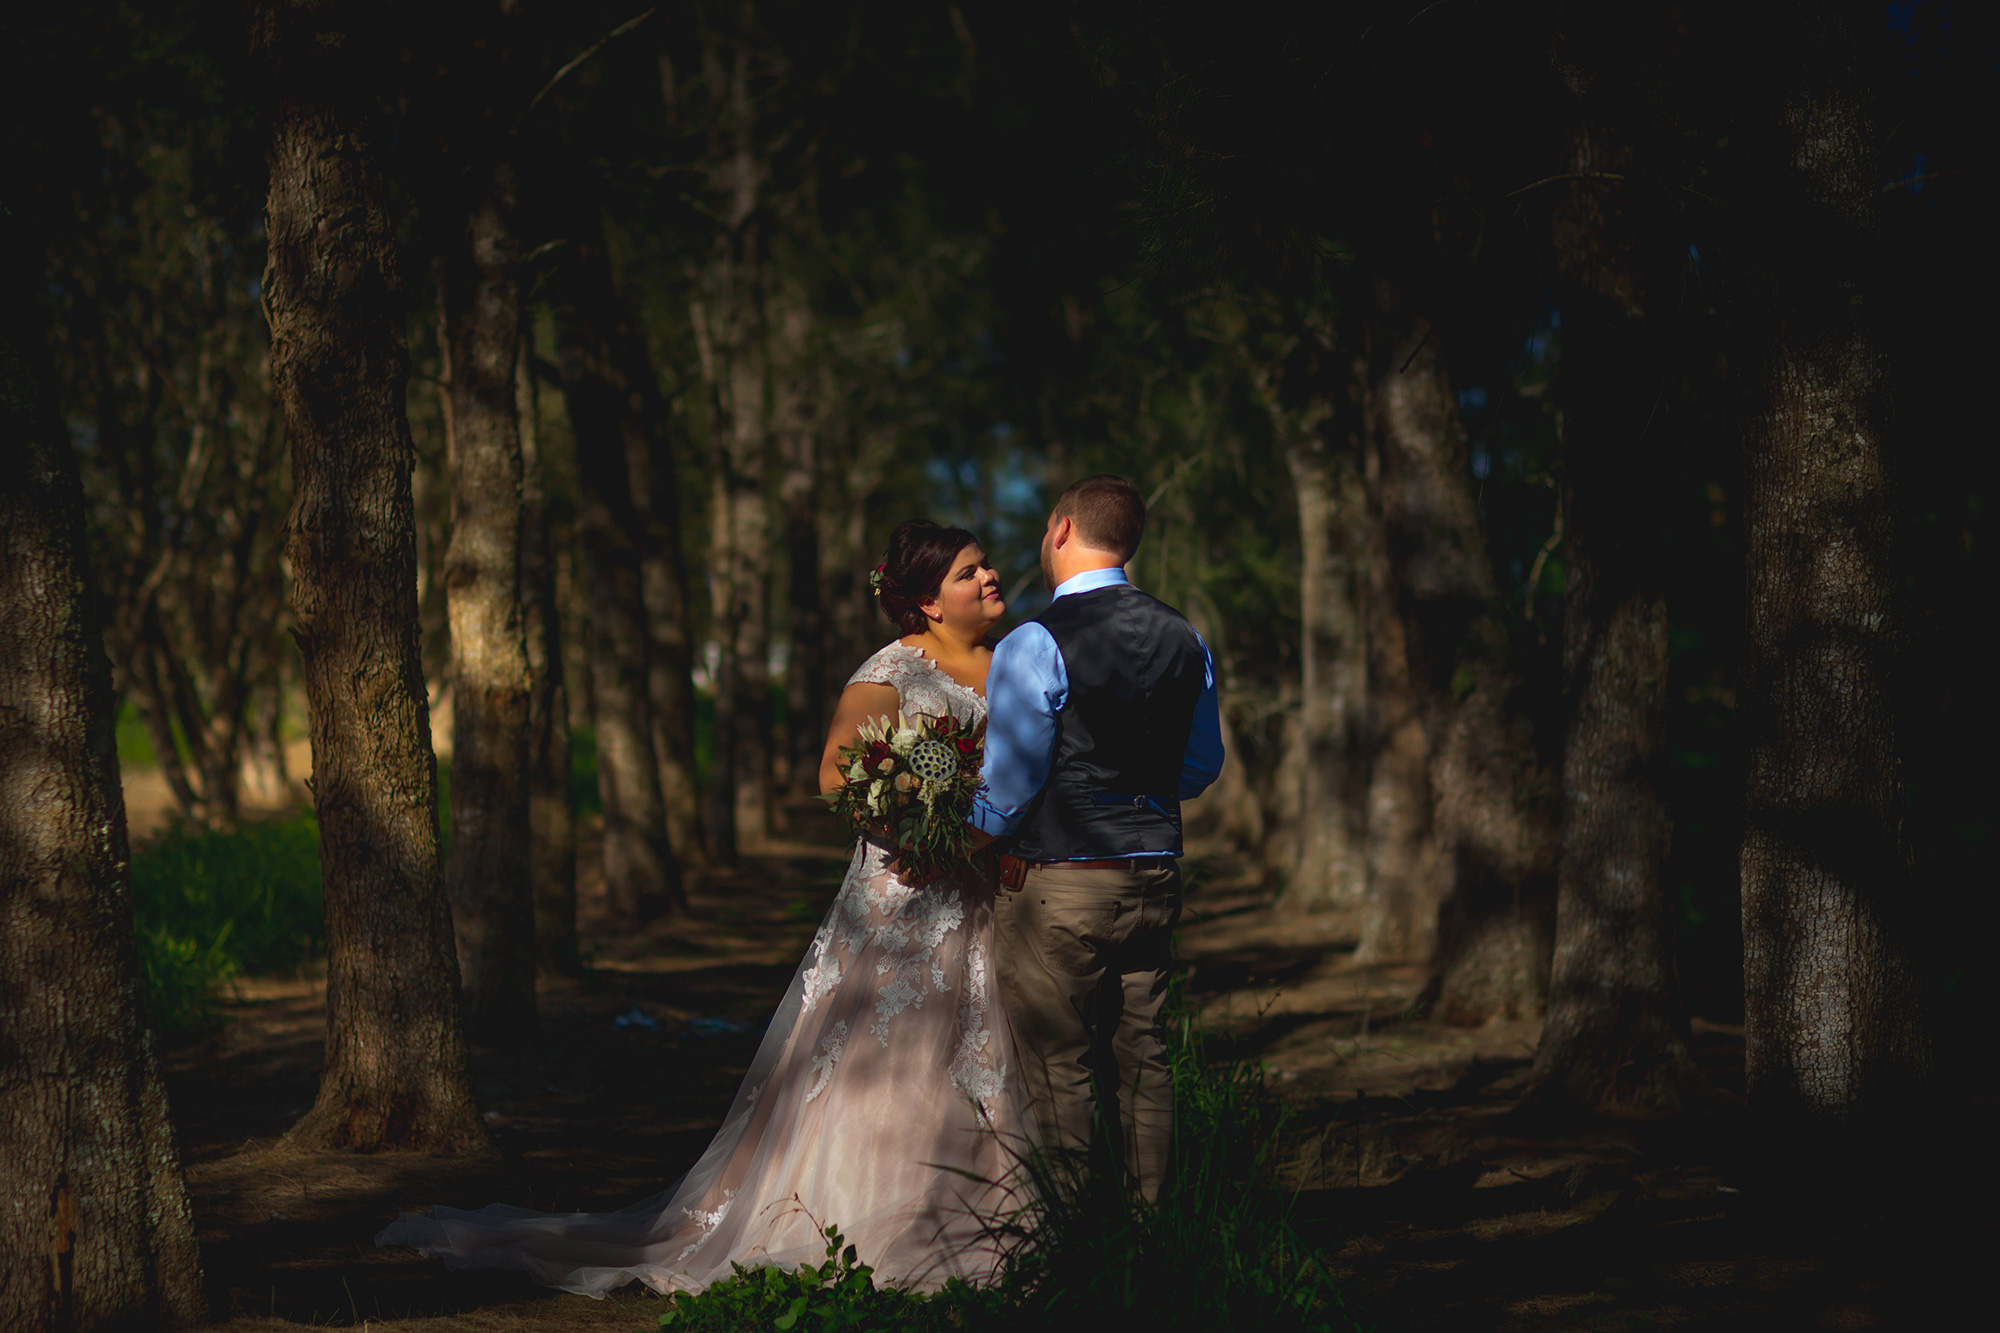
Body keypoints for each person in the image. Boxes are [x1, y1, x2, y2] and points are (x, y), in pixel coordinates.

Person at [377, 520, 1035, 1296]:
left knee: (973, 1048)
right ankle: (858, 1219)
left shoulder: (1010, 664)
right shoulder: (888, 671)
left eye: (986, 564)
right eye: (969, 571)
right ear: (926, 600)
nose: (990, 577)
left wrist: (1000, 840)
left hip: (978, 898)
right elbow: (837, 778)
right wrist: (925, 826)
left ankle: (980, 1211)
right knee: (891, 1060)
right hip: (903, 900)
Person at [969, 475, 1224, 1202]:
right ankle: (1153, 1232)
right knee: (1145, 1059)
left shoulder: (1035, 640)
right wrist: (1134, 789)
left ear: (1059, 530)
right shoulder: (1186, 634)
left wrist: (955, 844)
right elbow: (1203, 765)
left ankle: (1072, 1245)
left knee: (1059, 1065)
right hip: (1155, 873)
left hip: (1063, 883)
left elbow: (1008, 790)